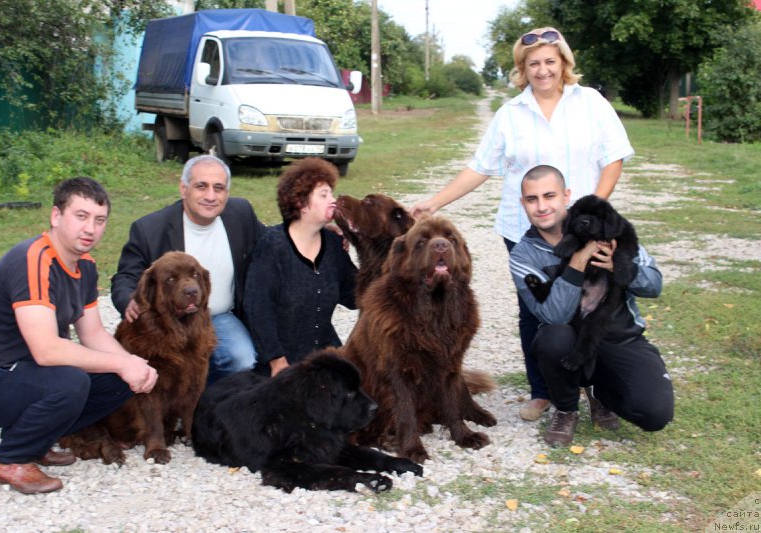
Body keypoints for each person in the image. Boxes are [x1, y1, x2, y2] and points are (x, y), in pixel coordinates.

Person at [411, 27, 634, 421]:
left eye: (550, 61)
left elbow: (613, 159)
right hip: (523, 230)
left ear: (564, 63)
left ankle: (594, 388)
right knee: (535, 309)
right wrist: (434, 202)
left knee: (591, 303)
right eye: (534, 64)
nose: (543, 70)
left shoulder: (592, 103)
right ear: (522, 68)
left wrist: (596, 214)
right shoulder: (510, 114)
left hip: (580, 230)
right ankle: (542, 391)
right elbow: (480, 167)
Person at [0, 177, 158, 494]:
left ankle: (35, 439)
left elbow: (92, 332)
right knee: (71, 382)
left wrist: (133, 364)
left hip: (27, 375)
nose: (90, 229)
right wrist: (122, 363)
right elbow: (47, 351)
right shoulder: (34, 260)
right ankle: (12, 459)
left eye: (99, 220)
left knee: (120, 377)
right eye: (80, 216)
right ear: (56, 216)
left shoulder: (86, 266)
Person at [508, 165, 674, 446]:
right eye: (532, 199)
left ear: (566, 197)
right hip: (570, 337)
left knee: (654, 414)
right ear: (522, 203)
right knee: (553, 336)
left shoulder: (610, 225)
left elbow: (654, 285)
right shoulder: (524, 254)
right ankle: (566, 408)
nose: (542, 206)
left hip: (620, 337)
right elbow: (553, 314)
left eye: (549, 196)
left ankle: (599, 390)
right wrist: (579, 259)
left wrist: (620, 266)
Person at [111, 154, 265, 385]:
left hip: (219, 315)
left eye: (219, 188)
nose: (211, 196)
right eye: (201, 186)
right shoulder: (150, 229)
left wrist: (321, 231)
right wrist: (128, 300)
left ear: (227, 193)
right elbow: (125, 275)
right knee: (168, 367)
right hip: (171, 318)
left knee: (241, 359)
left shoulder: (240, 214)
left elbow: (272, 243)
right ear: (184, 189)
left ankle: (205, 400)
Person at [243, 158, 357, 377]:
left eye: (331, 194)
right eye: (324, 195)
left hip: (325, 357)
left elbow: (355, 296)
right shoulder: (273, 246)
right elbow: (258, 308)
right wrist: (277, 361)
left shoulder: (333, 244)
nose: (333, 200)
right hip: (283, 365)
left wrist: (364, 242)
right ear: (300, 202)